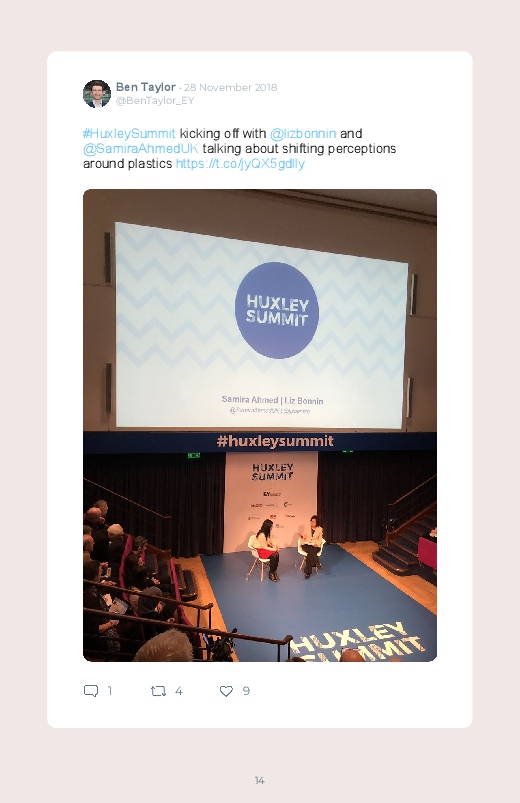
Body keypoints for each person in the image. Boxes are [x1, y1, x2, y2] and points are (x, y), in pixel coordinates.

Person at [83, 560, 120, 656]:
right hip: (96, 639)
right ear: (94, 576)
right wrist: (111, 623)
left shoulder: (90, 589)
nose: (101, 573)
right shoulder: (89, 599)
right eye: (100, 572)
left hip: (102, 622)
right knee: (131, 626)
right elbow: (95, 629)